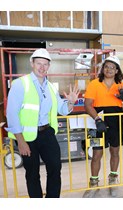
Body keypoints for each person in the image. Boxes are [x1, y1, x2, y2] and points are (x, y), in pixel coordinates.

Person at [5, 48, 80, 198]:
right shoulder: (21, 84)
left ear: (49, 66)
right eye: (39, 63)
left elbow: (62, 109)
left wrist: (71, 103)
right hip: (26, 137)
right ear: (32, 63)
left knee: (55, 167)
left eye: (45, 64)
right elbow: (11, 114)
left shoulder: (51, 87)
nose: (42, 67)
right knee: (32, 173)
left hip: (47, 133)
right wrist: (20, 140)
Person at [83, 55, 123, 197]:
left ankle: (112, 180)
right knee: (96, 154)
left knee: (114, 151)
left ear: (117, 70)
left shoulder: (122, 86)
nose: (109, 69)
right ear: (103, 68)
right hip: (97, 121)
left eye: (113, 67)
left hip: (116, 121)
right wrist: (97, 119)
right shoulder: (94, 84)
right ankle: (93, 183)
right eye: (107, 66)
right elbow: (87, 105)